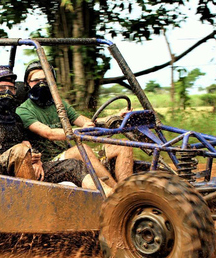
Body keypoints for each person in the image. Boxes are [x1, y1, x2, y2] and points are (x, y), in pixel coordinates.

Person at [0, 66, 112, 193]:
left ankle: (111, 198)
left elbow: (26, 142)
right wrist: (20, 158)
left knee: (74, 165)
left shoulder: (13, 116)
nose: (7, 92)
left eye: (11, 89)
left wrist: (35, 160)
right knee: (20, 151)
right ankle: (37, 209)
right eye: (2, 88)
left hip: (25, 167)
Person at [16, 60, 134, 188]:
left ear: (52, 82)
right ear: (28, 83)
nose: (41, 84)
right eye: (36, 81)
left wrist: (115, 117)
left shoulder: (59, 104)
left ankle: (128, 189)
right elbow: (49, 133)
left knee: (123, 145)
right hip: (48, 162)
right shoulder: (23, 110)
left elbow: (87, 122)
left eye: (46, 80)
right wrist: (79, 130)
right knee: (81, 149)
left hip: (67, 153)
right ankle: (119, 194)